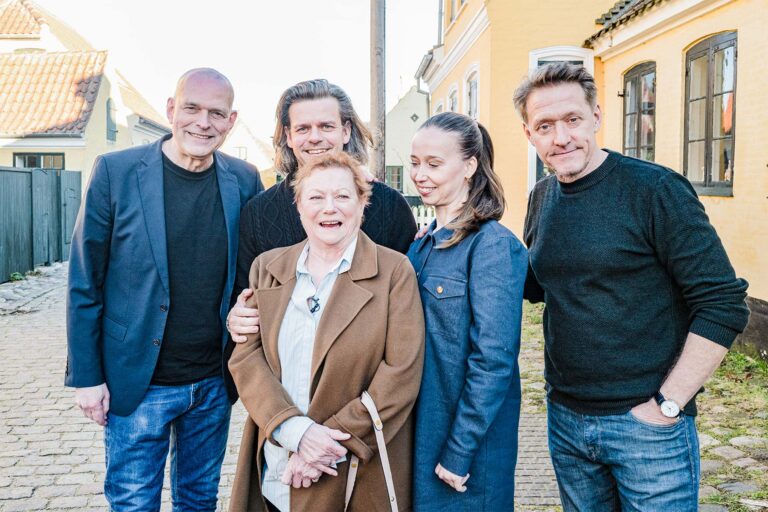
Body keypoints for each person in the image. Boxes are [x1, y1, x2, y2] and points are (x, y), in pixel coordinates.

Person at [516, 62, 750, 511]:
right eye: (545, 125)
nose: (561, 137)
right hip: (566, 420)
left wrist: (668, 404)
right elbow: (545, 286)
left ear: (597, 117)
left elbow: (722, 303)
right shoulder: (542, 198)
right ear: (530, 135)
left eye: (572, 120)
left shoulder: (655, 190)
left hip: (646, 428)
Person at [65, 68, 263, 510]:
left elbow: (257, 272)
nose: (203, 122)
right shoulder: (116, 172)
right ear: (172, 109)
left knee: (198, 501)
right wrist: (87, 377)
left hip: (213, 382)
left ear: (232, 121)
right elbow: (84, 280)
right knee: (134, 503)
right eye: (191, 108)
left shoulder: (245, 179)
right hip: (136, 381)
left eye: (216, 113)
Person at [228, 152, 425, 511]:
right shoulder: (267, 269)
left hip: (350, 469)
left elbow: (400, 375)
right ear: (299, 206)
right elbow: (246, 358)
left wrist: (322, 445)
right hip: (279, 464)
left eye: (343, 196)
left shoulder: (395, 272)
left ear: (362, 204)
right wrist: (296, 433)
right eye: (316, 197)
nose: (329, 208)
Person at [226, 79, 417, 341]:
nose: (315, 137)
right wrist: (236, 316)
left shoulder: (389, 208)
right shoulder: (258, 214)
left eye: (326, 126)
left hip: (366, 375)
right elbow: (244, 300)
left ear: (346, 131)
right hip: (282, 374)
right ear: (289, 137)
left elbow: (409, 307)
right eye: (303, 128)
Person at [407, 112, 527, 511]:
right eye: (414, 162)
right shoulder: (422, 245)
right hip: (421, 431)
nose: (420, 174)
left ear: (470, 166)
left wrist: (460, 450)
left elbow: (494, 361)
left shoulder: (492, 246)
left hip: (466, 445)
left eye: (434, 164)